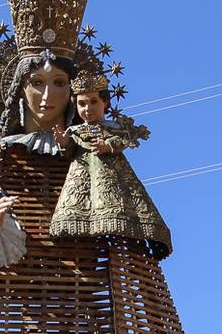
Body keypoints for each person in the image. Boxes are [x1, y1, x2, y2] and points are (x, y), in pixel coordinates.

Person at [49, 72, 171, 257]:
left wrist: (108, 145)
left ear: (105, 102)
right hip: (81, 175)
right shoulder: (74, 130)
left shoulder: (113, 126)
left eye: (93, 102)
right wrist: (64, 143)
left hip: (112, 174)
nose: (87, 108)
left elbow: (124, 139)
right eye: (82, 104)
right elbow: (69, 152)